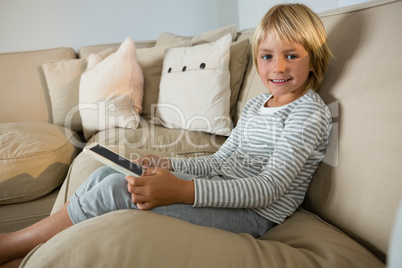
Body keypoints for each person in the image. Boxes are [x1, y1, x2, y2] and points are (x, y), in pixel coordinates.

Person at [0, 3, 332, 267]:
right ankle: (33, 252)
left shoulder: (309, 112)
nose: (278, 67)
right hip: (219, 186)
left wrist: (182, 191)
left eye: (291, 55)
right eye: (267, 56)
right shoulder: (258, 104)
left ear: (313, 59)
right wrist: (168, 164)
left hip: (254, 213)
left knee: (120, 190)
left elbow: (268, 189)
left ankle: (14, 244)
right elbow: (221, 160)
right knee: (108, 172)